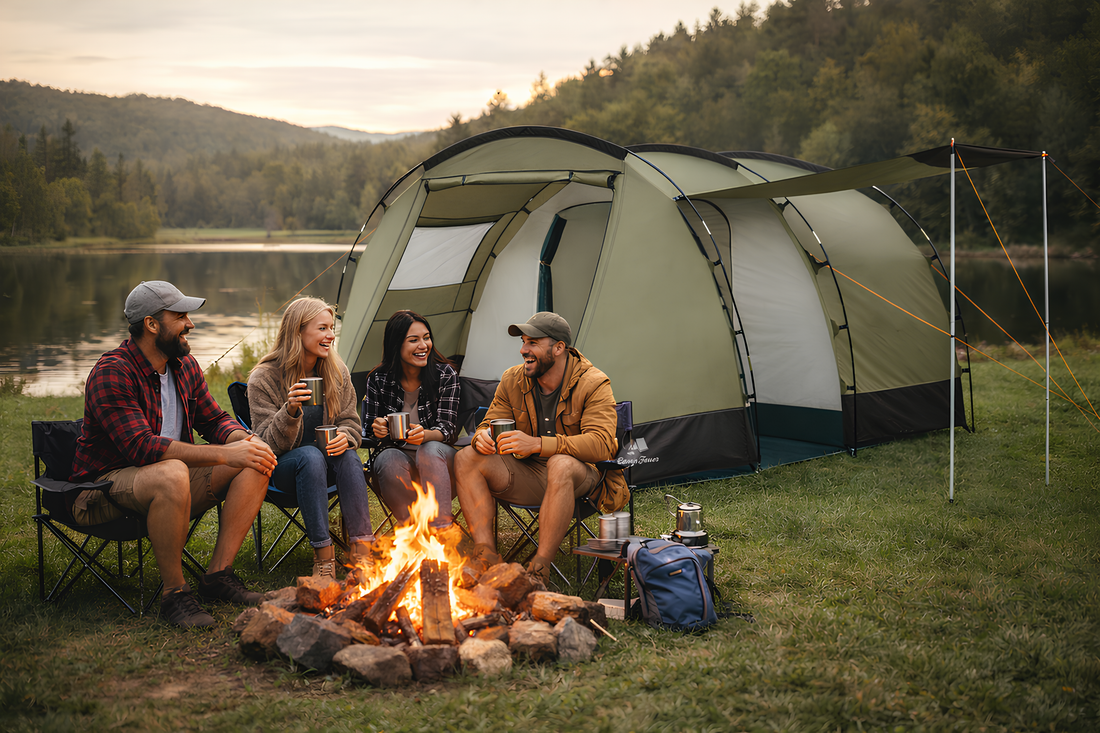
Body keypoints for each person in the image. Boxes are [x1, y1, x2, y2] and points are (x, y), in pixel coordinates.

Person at [72, 280, 276, 629]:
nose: (190, 324)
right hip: (102, 490)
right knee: (173, 471)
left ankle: (217, 576)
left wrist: (244, 442)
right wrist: (226, 456)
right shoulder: (112, 372)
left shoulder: (184, 366)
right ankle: (175, 594)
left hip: (170, 480)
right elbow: (143, 448)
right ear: (152, 324)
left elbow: (214, 420)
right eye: (180, 316)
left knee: (255, 458)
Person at [454, 311, 629, 582]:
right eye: (524, 342)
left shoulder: (593, 383)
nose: (524, 350)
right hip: (528, 474)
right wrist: (481, 437)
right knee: (466, 457)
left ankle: (540, 568)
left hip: (581, 477)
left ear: (559, 348)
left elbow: (602, 444)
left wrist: (538, 444)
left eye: (533, 342)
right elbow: (487, 423)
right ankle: (486, 555)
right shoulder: (512, 379)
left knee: (560, 463)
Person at [247, 297, 375, 581]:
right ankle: (324, 556)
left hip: (327, 467)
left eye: (332, 328)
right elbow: (264, 443)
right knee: (310, 455)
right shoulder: (264, 377)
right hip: (282, 470)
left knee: (350, 457)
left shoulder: (336, 371)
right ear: (298, 331)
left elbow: (351, 422)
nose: (330, 335)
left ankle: (362, 554)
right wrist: (289, 410)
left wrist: (345, 436)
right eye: (322, 328)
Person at [363, 311, 461, 541]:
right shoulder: (378, 379)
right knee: (387, 458)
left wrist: (425, 435)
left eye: (426, 337)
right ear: (396, 344)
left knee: (428, 450)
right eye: (413, 340)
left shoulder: (445, 374)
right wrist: (377, 428)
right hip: (398, 464)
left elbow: (448, 429)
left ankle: (440, 534)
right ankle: (417, 536)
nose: (423, 345)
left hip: (439, 463)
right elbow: (369, 428)